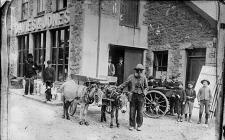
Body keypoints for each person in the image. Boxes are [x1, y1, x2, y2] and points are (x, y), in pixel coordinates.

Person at [118, 64, 148, 131]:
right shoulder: (131, 77)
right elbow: (125, 83)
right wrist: (119, 87)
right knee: (132, 111)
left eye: (141, 70)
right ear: (136, 70)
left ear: (142, 71)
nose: (139, 72)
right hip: (132, 96)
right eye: (138, 70)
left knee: (140, 112)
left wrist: (144, 93)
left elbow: (146, 87)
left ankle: (139, 125)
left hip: (141, 96)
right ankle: (132, 125)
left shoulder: (144, 78)